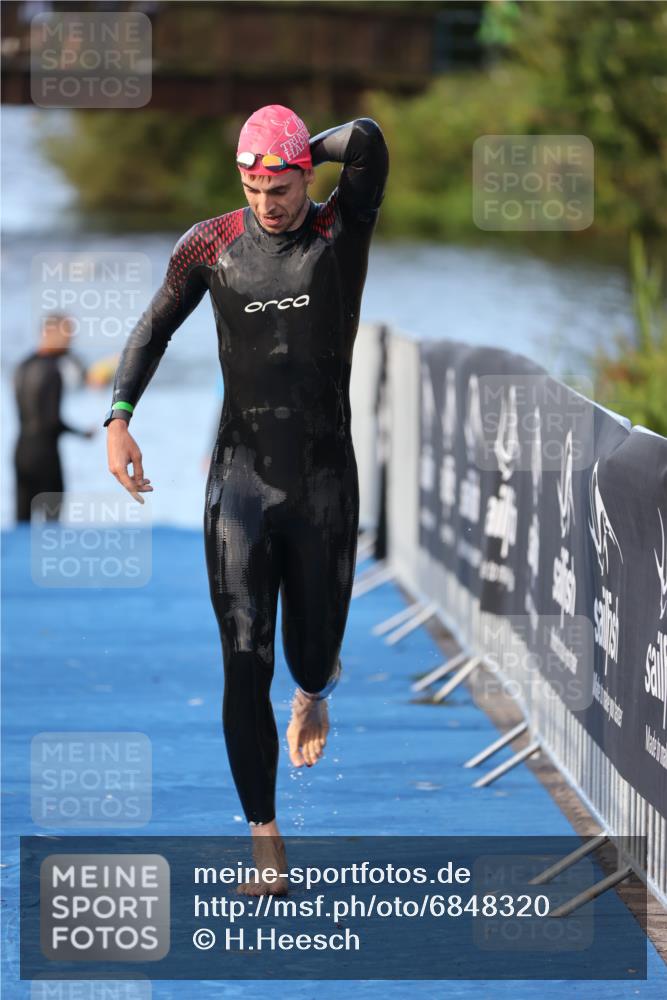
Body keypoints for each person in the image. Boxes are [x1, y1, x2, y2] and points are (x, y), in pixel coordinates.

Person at [105, 105, 389, 892]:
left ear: (305, 175)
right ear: (241, 181)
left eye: (283, 184)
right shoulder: (209, 245)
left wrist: (302, 141)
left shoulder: (340, 233)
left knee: (307, 654)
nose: (268, 202)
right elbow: (153, 327)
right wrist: (119, 418)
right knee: (241, 659)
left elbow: (365, 140)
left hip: (325, 480)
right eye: (254, 185)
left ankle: (314, 691)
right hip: (238, 482)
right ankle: (265, 842)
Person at [14, 313, 94, 522]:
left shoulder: (22, 366)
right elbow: (51, 422)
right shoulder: (52, 371)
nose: (70, 341)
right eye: (66, 334)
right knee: (51, 527)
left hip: (21, 452)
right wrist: (82, 434)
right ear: (48, 333)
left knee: (22, 523)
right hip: (45, 456)